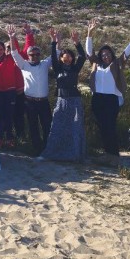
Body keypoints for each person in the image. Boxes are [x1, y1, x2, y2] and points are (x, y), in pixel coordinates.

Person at [87, 19, 130, 165]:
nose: (105, 56)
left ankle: (114, 156)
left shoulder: (116, 64)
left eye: (108, 54)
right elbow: (89, 52)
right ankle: (108, 154)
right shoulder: (96, 64)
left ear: (112, 55)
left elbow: (127, 52)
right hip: (97, 99)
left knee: (110, 127)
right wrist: (89, 33)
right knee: (102, 127)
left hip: (111, 100)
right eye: (103, 54)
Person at [39, 28, 87, 162]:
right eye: (64, 56)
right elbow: (53, 56)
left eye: (70, 55)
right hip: (61, 101)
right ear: (61, 58)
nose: (67, 58)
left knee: (75, 127)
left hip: (74, 101)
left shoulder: (75, 68)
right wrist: (54, 42)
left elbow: (82, 57)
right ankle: (54, 153)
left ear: (72, 58)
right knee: (58, 127)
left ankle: (75, 154)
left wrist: (77, 43)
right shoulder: (57, 68)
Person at [8, 23, 54, 155]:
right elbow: (14, 53)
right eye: (32, 55)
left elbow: (54, 53)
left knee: (47, 126)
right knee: (33, 127)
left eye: (37, 54)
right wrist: (12, 38)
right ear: (27, 56)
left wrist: (55, 40)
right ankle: (37, 149)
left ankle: (47, 149)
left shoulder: (45, 64)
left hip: (44, 102)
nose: (34, 57)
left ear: (40, 55)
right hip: (30, 102)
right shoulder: (24, 65)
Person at [0, 39, 20, 148]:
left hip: (9, 91)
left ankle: (10, 138)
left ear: (4, 50)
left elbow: (15, 49)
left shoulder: (10, 58)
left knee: (9, 115)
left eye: (1, 49)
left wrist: (12, 37)